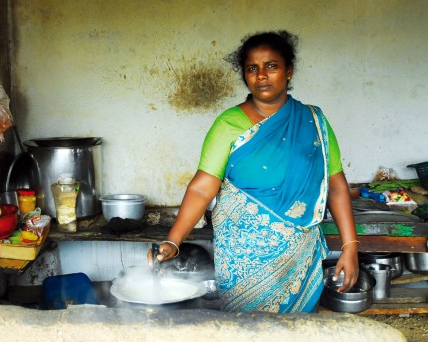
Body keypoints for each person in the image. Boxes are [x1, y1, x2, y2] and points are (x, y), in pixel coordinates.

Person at [153, 30, 359, 313]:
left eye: (271, 66)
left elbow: (335, 184)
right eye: (253, 68)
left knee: (295, 333)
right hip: (244, 259)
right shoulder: (228, 124)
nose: (261, 75)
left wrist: (350, 246)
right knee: (245, 330)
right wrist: (173, 241)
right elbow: (203, 187)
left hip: (299, 256)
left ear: (289, 72)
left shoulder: (314, 121)